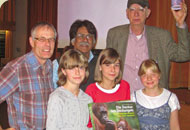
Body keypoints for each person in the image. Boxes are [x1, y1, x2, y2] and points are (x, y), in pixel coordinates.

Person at [106, 0, 190, 93]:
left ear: (148, 13)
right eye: (132, 9)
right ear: (127, 13)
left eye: (141, 10)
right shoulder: (115, 34)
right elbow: (107, 67)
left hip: (153, 98)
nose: (136, 14)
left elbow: (184, 55)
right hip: (123, 98)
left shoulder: (161, 36)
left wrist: (181, 23)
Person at [0, 22, 57, 130]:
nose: (48, 44)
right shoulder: (16, 68)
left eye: (51, 39)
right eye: (42, 39)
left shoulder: (50, 66)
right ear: (31, 41)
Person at [46, 49, 93, 130]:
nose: (77, 72)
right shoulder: (57, 97)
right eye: (72, 68)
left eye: (81, 67)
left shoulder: (88, 99)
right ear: (63, 71)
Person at [131, 59, 180, 130]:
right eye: (144, 75)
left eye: (153, 74)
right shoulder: (134, 97)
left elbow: (175, 127)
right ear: (140, 77)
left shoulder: (171, 98)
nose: (149, 78)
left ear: (159, 75)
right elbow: (131, 126)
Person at [53, 19, 98, 91]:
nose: (85, 40)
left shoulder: (100, 63)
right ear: (73, 41)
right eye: (80, 36)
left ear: (94, 42)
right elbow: (52, 91)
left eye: (89, 36)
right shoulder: (58, 63)